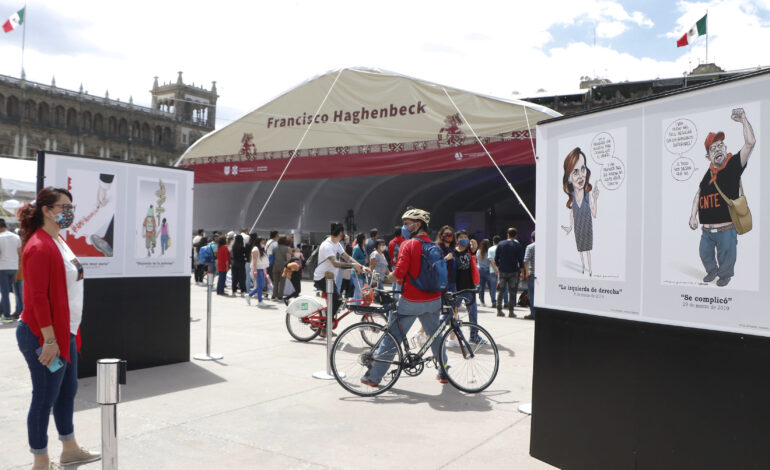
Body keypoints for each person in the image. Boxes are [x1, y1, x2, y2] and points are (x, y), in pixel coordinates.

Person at [15, 187, 101, 470]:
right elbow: (36, 297)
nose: (69, 212)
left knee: (67, 390)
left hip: (66, 332)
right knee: (44, 396)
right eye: (65, 207)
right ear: (47, 210)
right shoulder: (39, 245)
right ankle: (40, 459)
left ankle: (70, 448)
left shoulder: (59, 241)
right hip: (44, 335)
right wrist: (50, 340)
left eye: (71, 207)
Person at [361, 208, 450, 386]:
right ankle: (444, 372)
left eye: (407, 224)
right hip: (433, 300)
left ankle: (373, 377)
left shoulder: (408, 245)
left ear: (418, 225)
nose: (405, 227)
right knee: (435, 336)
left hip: (411, 301)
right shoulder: (435, 247)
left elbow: (399, 275)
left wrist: (382, 278)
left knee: (391, 338)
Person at [688, 108, 755, 287]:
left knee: (727, 254)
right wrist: (693, 216)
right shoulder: (707, 174)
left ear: (725, 149)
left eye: (720, 146)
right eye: (713, 148)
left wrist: (743, 120)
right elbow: (698, 195)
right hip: (706, 232)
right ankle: (712, 271)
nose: (718, 149)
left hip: (726, 229)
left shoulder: (733, 164)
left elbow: (750, 143)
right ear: (708, 156)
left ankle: (724, 275)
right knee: (704, 253)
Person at [313, 222, 366, 335]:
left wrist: (362, 267)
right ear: (341, 233)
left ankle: (326, 325)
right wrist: (353, 266)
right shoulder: (327, 245)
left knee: (336, 302)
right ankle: (325, 329)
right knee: (337, 302)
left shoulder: (336, 243)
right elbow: (335, 263)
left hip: (329, 278)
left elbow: (347, 257)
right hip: (321, 277)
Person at [561, 147, 600, 276]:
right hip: (578, 227)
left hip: (587, 226)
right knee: (580, 249)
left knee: (587, 249)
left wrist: (595, 199)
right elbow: (572, 212)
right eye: (575, 172)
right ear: (569, 178)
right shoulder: (572, 196)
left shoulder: (588, 194)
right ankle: (583, 266)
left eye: (583, 169)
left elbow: (594, 214)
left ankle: (590, 268)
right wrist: (570, 227)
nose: (581, 175)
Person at [451, 230, 482, 342]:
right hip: (456, 289)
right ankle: (450, 336)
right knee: (452, 313)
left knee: (473, 313)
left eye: (465, 237)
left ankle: (474, 336)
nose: (463, 239)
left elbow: (475, 246)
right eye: (461, 237)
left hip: (469, 287)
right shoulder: (453, 252)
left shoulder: (470, 251)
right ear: (456, 239)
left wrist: (472, 242)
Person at [495, 227, 524, 318]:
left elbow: (496, 258)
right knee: (512, 292)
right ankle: (511, 312)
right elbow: (520, 260)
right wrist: (522, 271)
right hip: (513, 272)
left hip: (502, 271)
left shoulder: (501, 244)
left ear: (507, 234)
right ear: (515, 236)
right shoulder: (517, 246)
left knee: (501, 291)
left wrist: (499, 266)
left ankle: (499, 310)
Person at [0, 218, 22, 321]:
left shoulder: (0, 237)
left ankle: (7, 315)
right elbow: (20, 252)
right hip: (14, 268)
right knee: (8, 291)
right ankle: (1, 312)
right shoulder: (16, 237)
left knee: (4, 292)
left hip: (3, 267)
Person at [248, 237, 270, 307]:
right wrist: (255, 270)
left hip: (261, 269)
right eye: (262, 242)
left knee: (262, 285)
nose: (263, 244)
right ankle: (260, 301)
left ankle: (249, 295)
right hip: (257, 269)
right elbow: (254, 260)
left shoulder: (261, 249)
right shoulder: (255, 249)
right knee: (260, 285)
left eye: (264, 242)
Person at [436, 225, 456, 292]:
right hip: (442, 282)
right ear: (441, 236)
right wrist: (446, 259)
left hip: (453, 282)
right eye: (446, 234)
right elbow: (435, 265)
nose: (449, 236)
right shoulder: (437, 248)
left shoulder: (453, 249)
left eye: (451, 234)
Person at [271, 236, 291, 301]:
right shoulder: (286, 248)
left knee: (275, 282)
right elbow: (288, 259)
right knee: (282, 282)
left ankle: (274, 295)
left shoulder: (274, 248)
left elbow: (272, 257)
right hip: (283, 267)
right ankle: (280, 296)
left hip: (275, 266)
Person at [476, 239, 495, 307]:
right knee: (491, 287)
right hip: (488, 270)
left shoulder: (478, 251)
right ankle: (493, 301)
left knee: (481, 287)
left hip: (480, 270)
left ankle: (482, 302)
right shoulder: (489, 251)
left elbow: (477, 260)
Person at [523, 231, 537, 320]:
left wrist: (527, 273)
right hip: (542, 275)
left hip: (532, 273)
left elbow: (526, 260)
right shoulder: (545, 246)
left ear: (532, 238)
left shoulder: (530, 246)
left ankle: (533, 313)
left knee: (532, 294)